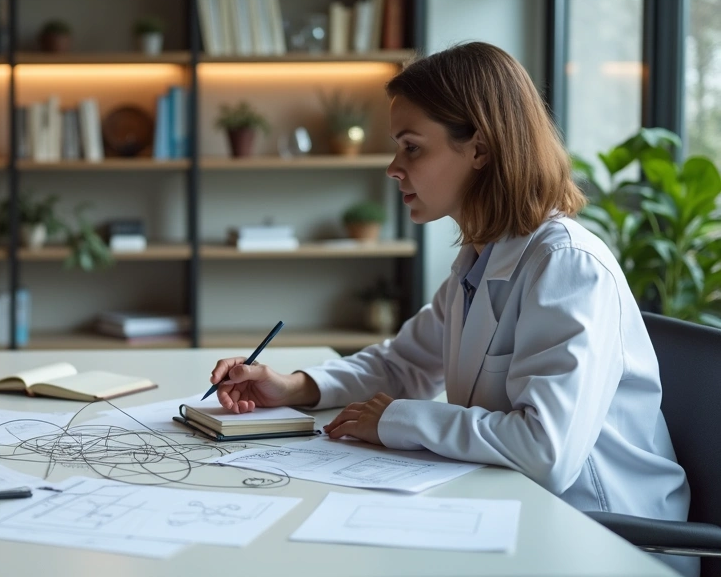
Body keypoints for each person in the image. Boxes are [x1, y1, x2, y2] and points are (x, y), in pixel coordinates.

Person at [209, 42, 694, 575]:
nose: (393, 168)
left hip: (606, 537)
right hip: (521, 510)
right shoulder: (479, 258)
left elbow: (545, 452)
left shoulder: (567, 266)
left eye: (412, 147)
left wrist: (397, 419)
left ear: (480, 148)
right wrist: (293, 386)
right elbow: (401, 365)